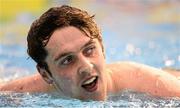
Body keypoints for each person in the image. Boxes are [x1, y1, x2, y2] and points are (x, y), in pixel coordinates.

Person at [0, 5, 180, 101]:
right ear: (46, 75)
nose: (86, 67)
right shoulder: (23, 93)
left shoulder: (153, 87)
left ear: (102, 48)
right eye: (67, 60)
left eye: (89, 50)